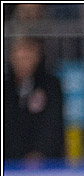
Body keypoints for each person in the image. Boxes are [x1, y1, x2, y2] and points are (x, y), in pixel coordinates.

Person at [3, 35, 66, 163]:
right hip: (9, 162)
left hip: (44, 164)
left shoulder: (50, 85)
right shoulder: (6, 88)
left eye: (27, 57)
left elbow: (52, 122)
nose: (23, 62)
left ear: (37, 57)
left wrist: (40, 152)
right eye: (19, 57)